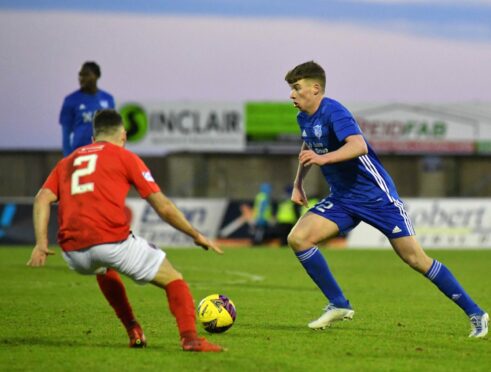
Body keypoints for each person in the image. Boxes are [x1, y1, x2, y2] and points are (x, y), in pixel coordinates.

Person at [284, 61, 488, 338]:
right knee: (298, 238)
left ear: (316, 88)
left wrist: (323, 159)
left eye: (297, 88)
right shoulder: (304, 118)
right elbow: (309, 146)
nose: (292, 95)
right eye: (291, 89)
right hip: (343, 198)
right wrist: (299, 183)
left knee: (415, 259)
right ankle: (339, 304)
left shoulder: (335, 111)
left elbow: (357, 146)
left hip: (377, 197)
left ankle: (476, 313)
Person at [27, 109, 224, 351]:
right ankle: (191, 339)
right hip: (112, 243)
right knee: (174, 279)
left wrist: (40, 243)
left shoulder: (67, 161)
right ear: (123, 135)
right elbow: (163, 207)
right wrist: (195, 234)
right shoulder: (124, 157)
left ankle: (133, 329)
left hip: (73, 253)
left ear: (93, 138)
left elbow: (41, 199)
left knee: (103, 267)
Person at [59, 61, 115, 156]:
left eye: (86, 75)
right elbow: (66, 134)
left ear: (97, 76)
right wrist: (67, 157)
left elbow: (112, 129)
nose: (82, 79)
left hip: (102, 152)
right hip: (80, 152)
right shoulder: (70, 100)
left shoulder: (108, 99)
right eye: (80, 75)